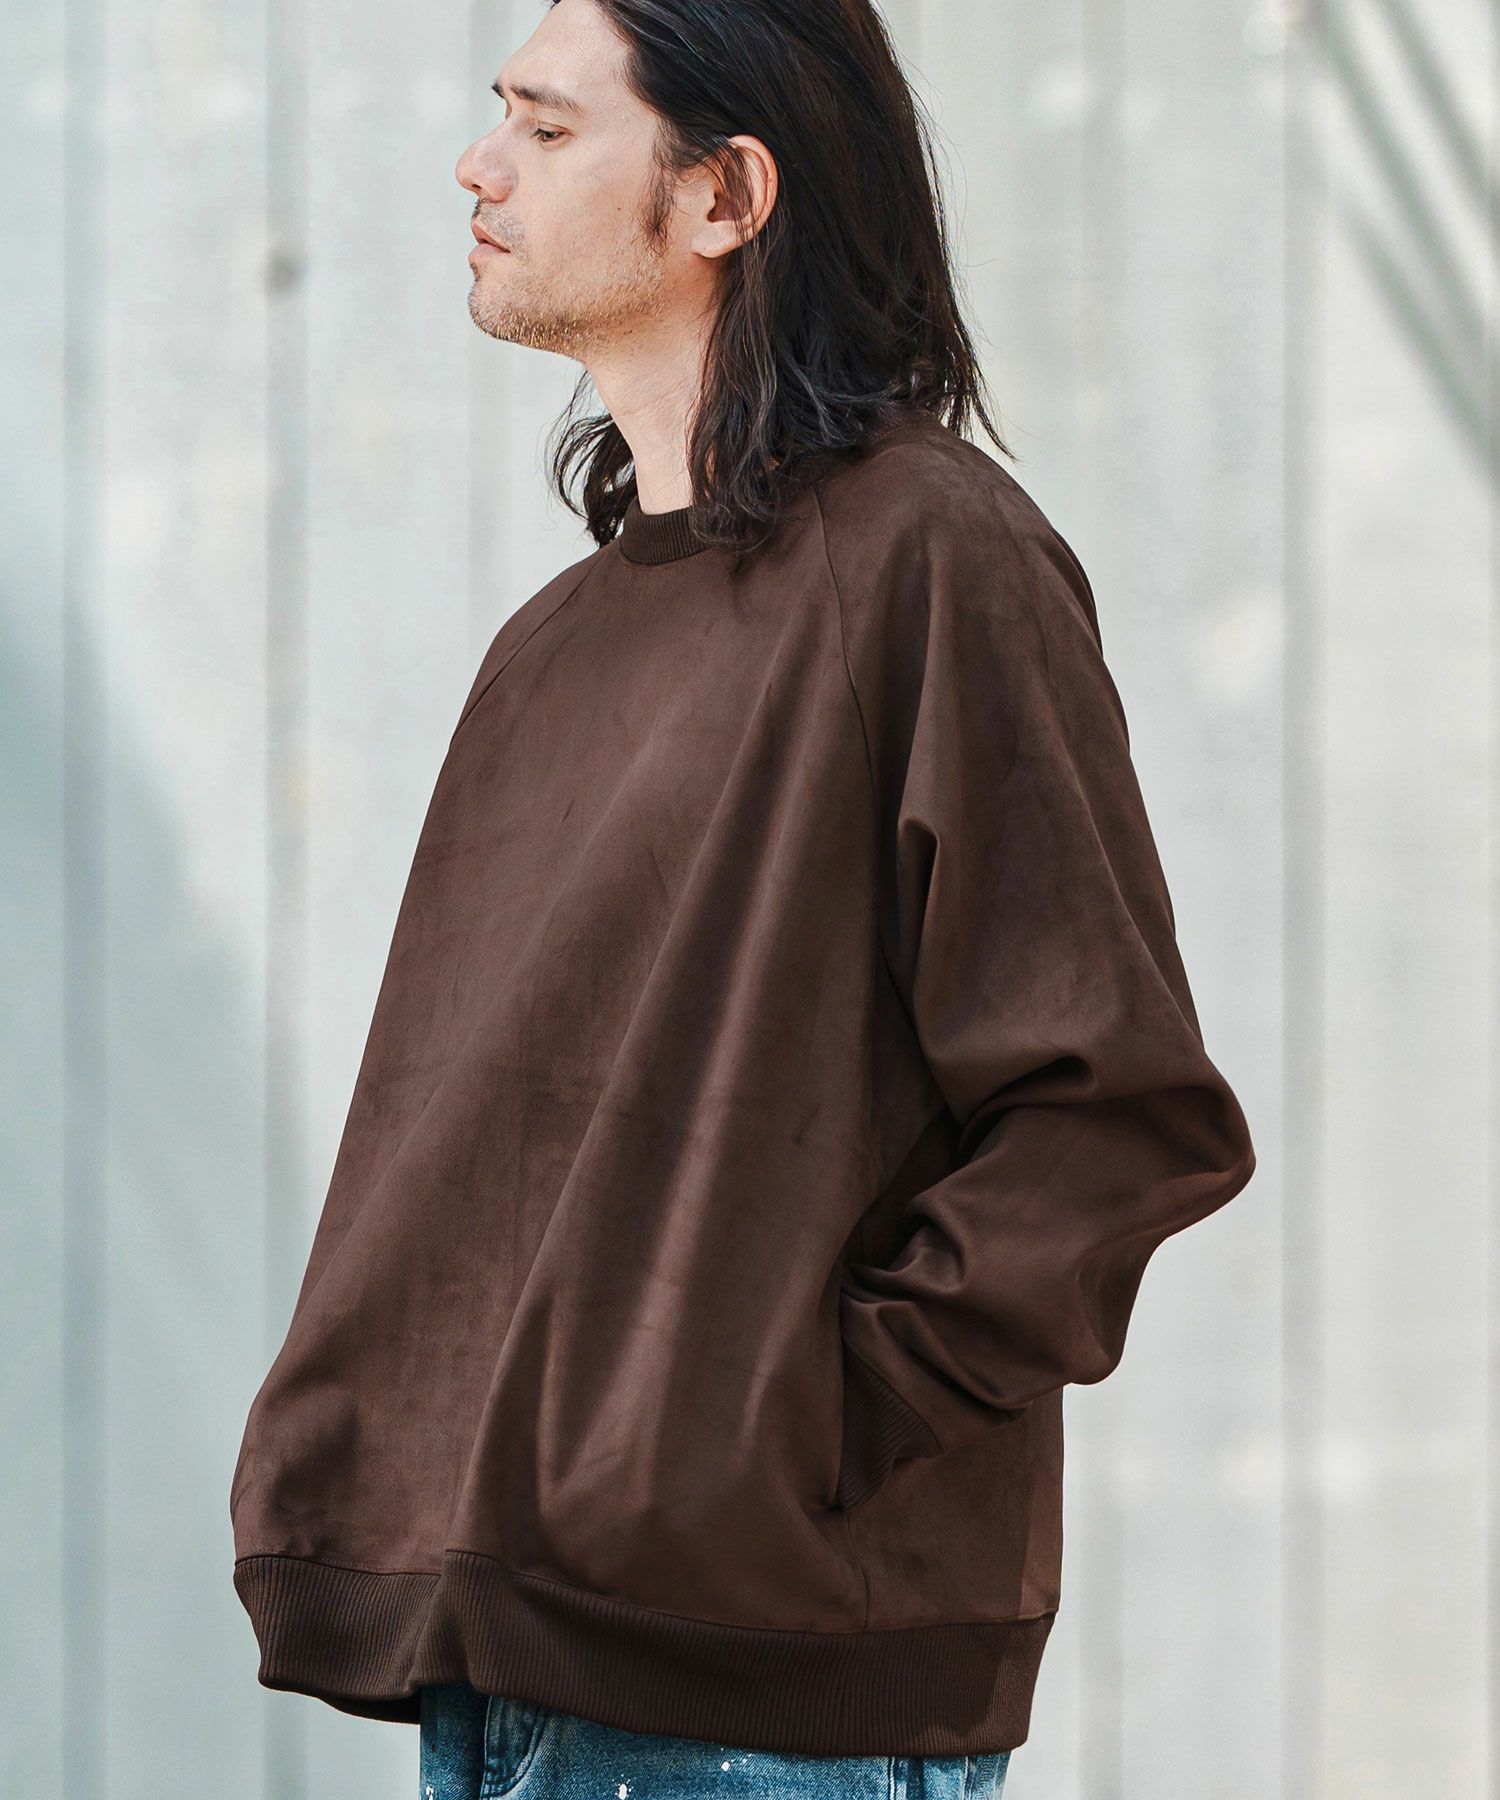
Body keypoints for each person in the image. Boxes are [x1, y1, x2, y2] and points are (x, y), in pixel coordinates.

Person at [228, 2, 1257, 1795]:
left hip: (760, 1680)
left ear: (725, 196)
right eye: (500, 118)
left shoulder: (934, 560)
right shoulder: (551, 652)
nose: (479, 167)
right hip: (506, 1643)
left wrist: (781, 1431)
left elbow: (1113, 1116)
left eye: (549, 130)